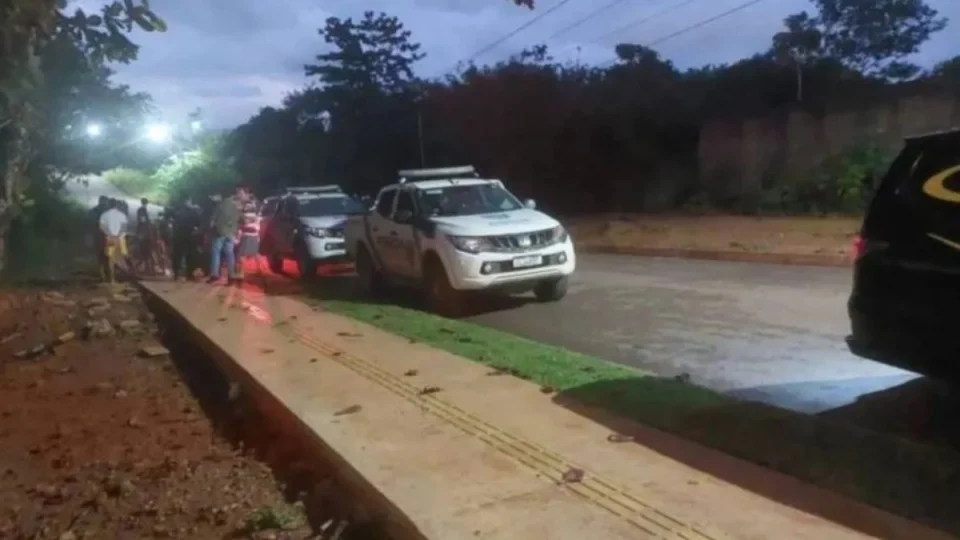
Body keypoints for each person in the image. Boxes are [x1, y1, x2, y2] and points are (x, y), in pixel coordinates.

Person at [208, 185, 247, 284]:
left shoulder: (222, 204)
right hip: (231, 233)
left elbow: (213, 220)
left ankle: (215, 274)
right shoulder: (238, 206)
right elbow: (242, 220)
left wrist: (213, 227)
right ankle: (231, 275)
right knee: (230, 253)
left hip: (220, 231)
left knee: (216, 252)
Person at [169, 197, 201, 281]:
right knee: (190, 255)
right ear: (189, 202)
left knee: (177, 255)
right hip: (190, 236)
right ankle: (189, 274)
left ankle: (176, 274)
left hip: (178, 236)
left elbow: (171, 220)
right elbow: (198, 224)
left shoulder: (177, 211)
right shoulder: (194, 212)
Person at [98, 199, 129, 285]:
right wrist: (117, 236)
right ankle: (126, 276)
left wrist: (111, 235)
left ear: (108, 204)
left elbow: (102, 227)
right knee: (122, 257)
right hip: (120, 239)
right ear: (116, 205)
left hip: (109, 239)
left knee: (111, 259)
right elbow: (124, 227)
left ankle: (112, 279)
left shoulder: (104, 215)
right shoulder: (122, 215)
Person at [235, 195, 260, 279]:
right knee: (252, 255)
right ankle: (255, 271)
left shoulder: (243, 216)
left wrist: (238, 238)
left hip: (246, 236)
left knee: (241, 255)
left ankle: (241, 273)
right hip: (254, 236)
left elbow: (240, 228)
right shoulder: (256, 216)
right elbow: (257, 227)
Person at [135, 198, 155, 274]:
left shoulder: (142, 210)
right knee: (145, 251)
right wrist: (149, 222)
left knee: (145, 251)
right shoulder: (142, 210)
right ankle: (140, 267)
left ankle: (145, 268)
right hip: (143, 233)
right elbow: (142, 220)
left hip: (143, 233)